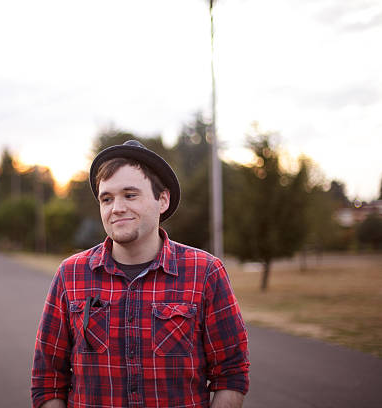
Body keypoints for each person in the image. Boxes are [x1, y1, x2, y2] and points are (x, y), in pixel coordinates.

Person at [31, 140, 249, 408]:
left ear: (163, 200)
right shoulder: (70, 274)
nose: (116, 208)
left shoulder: (205, 272)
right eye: (106, 199)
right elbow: (48, 378)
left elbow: (231, 374)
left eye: (130, 195)